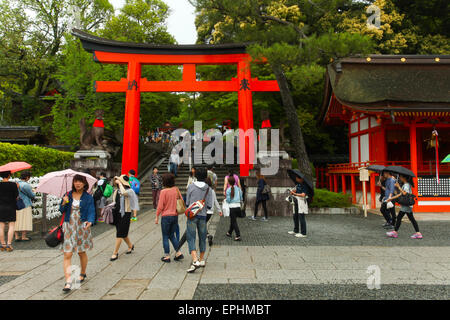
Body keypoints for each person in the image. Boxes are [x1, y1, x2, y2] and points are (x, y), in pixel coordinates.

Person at [59, 174, 95, 292]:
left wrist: (90, 221)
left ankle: (83, 273)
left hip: (82, 226)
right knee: (67, 254)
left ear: (84, 184)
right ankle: (68, 281)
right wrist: (64, 202)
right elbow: (61, 210)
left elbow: (91, 210)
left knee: (81, 252)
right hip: (69, 225)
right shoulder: (68, 194)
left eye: (80, 181)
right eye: (75, 181)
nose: (77, 184)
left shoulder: (88, 197)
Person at [185, 167, 213, 273]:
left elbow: (187, 202)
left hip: (192, 216)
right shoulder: (208, 189)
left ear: (195, 175)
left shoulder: (191, 187)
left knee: (191, 237)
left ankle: (195, 259)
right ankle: (201, 260)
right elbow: (210, 205)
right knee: (202, 237)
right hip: (203, 216)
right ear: (206, 176)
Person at [155, 173, 184, 262]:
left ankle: (167, 256)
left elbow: (160, 206)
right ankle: (178, 252)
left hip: (166, 217)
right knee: (172, 235)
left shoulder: (163, 192)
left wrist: (157, 216)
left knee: (165, 236)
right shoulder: (176, 190)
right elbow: (182, 200)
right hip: (174, 216)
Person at [110, 175, 139, 262]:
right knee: (122, 232)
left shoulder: (130, 191)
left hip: (125, 214)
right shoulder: (116, 191)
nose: (117, 182)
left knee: (120, 233)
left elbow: (123, 193)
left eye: (119, 180)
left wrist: (120, 184)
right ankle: (130, 245)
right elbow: (114, 201)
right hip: (117, 213)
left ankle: (115, 253)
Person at [386, 175, 422, 239]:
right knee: (411, 219)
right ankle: (418, 233)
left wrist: (398, 187)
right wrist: (391, 198)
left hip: (406, 206)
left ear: (404, 177)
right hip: (407, 205)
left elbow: (405, 193)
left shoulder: (406, 185)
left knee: (400, 217)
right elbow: (400, 194)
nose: (400, 178)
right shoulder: (406, 185)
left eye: (401, 177)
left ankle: (395, 232)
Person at [0, 171, 18, 252]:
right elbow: (16, 196)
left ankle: (2, 244)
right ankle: (9, 244)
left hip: (1, 207)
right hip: (11, 207)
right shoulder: (13, 185)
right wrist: (17, 187)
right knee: (11, 226)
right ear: (9, 175)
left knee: (1, 227)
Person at [15, 171, 36, 241]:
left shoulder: (16, 183)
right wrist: (34, 192)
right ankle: (23, 236)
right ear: (27, 177)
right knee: (25, 220)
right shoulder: (26, 185)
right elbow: (31, 195)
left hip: (17, 204)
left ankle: (16, 236)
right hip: (25, 204)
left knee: (16, 220)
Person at [225, 176, 243, 242]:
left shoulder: (228, 190)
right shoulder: (238, 189)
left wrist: (226, 201)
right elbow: (241, 198)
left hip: (232, 208)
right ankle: (229, 232)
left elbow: (228, 200)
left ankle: (238, 235)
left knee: (234, 221)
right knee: (233, 220)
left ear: (229, 182)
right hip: (238, 207)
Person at [205, 177, 221, 246]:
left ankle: (208, 236)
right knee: (203, 224)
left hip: (204, 211)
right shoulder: (212, 191)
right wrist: (219, 210)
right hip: (210, 212)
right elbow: (215, 201)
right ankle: (207, 236)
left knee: (201, 225)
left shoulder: (203, 190)